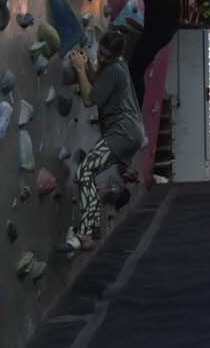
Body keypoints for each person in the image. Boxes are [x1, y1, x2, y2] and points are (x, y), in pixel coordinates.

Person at [66, 28, 146, 252]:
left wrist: (80, 69)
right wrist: (89, 67)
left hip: (122, 132)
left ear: (117, 56)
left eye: (106, 57)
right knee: (86, 173)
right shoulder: (118, 67)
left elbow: (90, 99)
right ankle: (88, 229)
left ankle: (86, 231)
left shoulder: (114, 69)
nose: (101, 59)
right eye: (100, 53)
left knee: (84, 173)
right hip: (130, 132)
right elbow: (99, 84)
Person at [124, 0, 182, 105]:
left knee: (135, 70)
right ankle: (133, 112)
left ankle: (134, 114)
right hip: (163, 28)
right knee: (137, 68)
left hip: (158, 30)